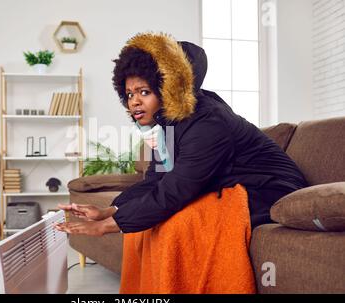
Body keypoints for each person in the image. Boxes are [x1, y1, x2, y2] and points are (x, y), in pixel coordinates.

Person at [55, 32, 308, 236]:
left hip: (272, 193)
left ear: (170, 88)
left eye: (144, 92)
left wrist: (107, 226)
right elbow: (157, 180)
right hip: (234, 186)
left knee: (176, 220)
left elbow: (175, 190)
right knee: (158, 218)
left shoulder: (209, 122)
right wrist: (108, 212)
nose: (133, 102)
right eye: (130, 94)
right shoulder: (168, 125)